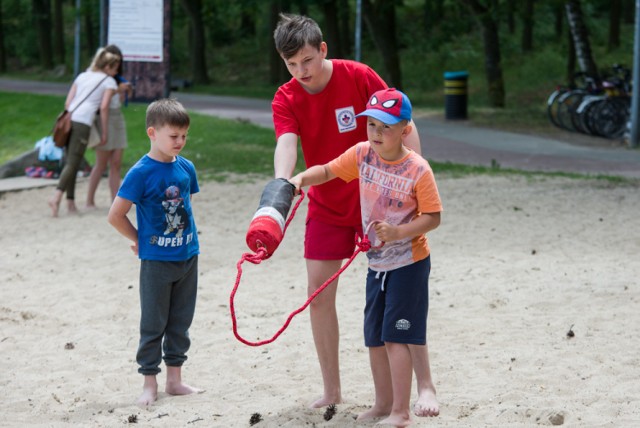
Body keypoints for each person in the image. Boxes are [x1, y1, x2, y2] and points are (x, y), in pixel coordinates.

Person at [271, 13, 439, 416]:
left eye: (307, 61)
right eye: (292, 64)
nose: (301, 72)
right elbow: (287, 145)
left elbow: (404, 124)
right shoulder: (286, 96)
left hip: (384, 206)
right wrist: (283, 183)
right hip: (328, 207)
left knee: (404, 298)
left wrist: (415, 180)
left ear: (323, 49)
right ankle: (332, 389)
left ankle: (427, 386)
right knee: (318, 294)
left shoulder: (359, 76)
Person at [289, 88, 442, 427]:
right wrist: (300, 178)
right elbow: (327, 171)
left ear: (405, 130)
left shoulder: (418, 169)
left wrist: (399, 233)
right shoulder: (362, 155)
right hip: (377, 264)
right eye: (371, 124)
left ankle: (402, 412)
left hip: (409, 264)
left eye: (384, 127)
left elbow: (433, 217)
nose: (375, 133)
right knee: (374, 337)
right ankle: (383, 404)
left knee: (395, 336)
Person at [107, 98, 201, 406]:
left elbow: (185, 207)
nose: (180, 142)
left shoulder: (186, 167)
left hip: (188, 257)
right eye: (173, 136)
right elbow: (115, 215)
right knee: (153, 322)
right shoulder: (140, 172)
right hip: (157, 262)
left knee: (180, 321)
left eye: (184, 136)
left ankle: (175, 380)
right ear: (152, 132)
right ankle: (150, 382)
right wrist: (139, 239)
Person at [48, 48, 120, 217]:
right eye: (115, 67)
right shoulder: (108, 81)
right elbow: (103, 107)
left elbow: (68, 102)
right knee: (73, 162)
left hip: (68, 120)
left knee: (71, 161)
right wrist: (104, 132)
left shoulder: (82, 76)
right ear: (108, 67)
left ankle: (71, 203)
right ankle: (56, 197)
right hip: (83, 123)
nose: (116, 71)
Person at [86, 44, 133, 208]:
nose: (117, 66)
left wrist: (124, 91)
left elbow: (117, 101)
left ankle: (115, 201)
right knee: (101, 162)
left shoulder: (116, 77)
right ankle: (89, 200)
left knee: (116, 162)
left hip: (117, 116)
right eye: (115, 62)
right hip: (103, 117)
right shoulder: (95, 75)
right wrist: (116, 90)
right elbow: (98, 99)